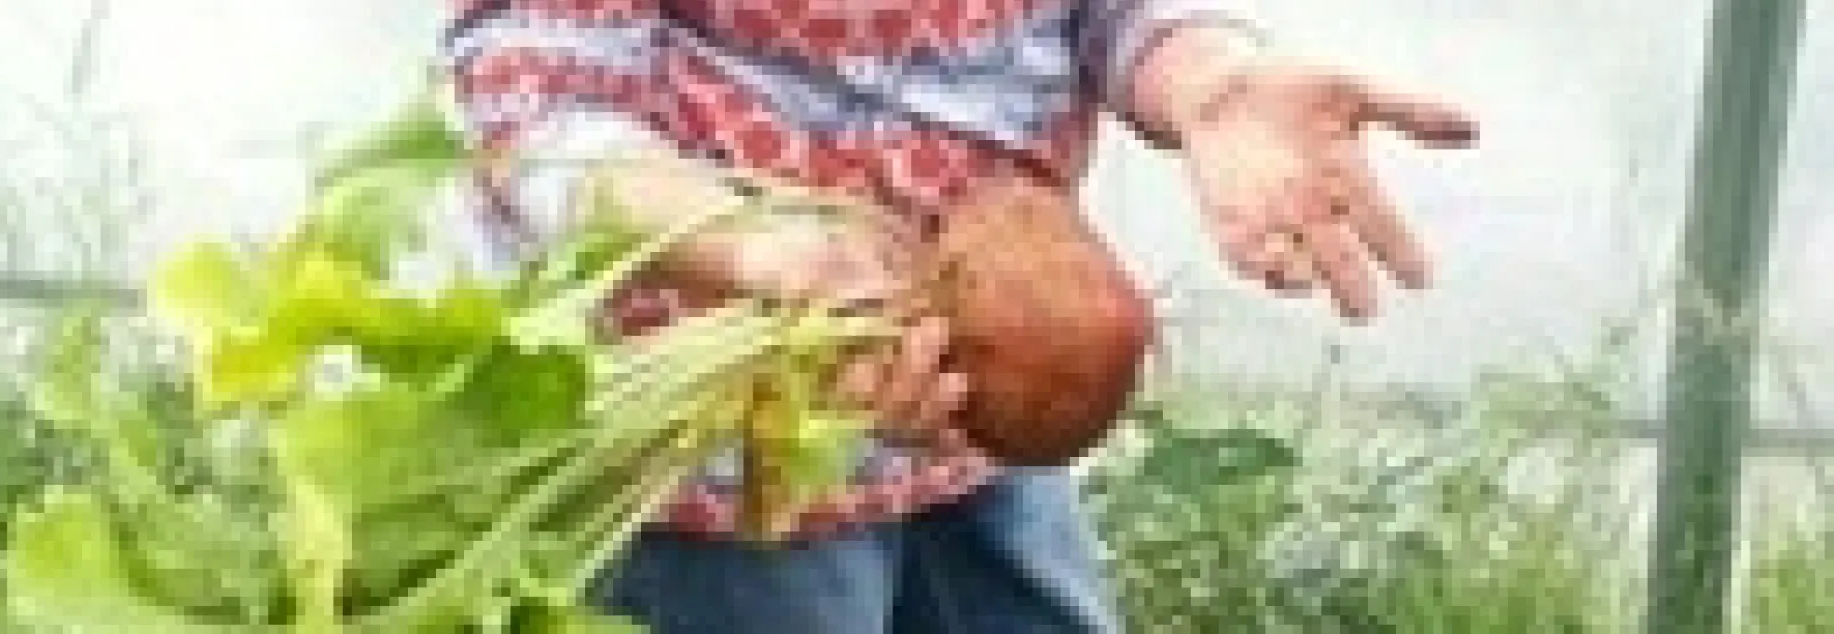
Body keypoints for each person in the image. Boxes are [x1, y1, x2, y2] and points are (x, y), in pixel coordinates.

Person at [439, 1, 1478, 633]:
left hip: (984, 411)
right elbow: (537, 101)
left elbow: (1110, 13)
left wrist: (1213, 85)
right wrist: (760, 252)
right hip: (721, 441)